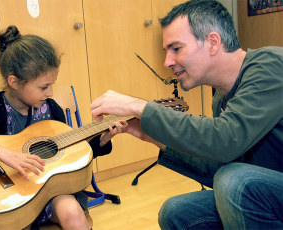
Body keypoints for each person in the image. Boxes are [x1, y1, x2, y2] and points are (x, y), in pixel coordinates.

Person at [90, 0, 283, 229]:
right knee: (177, 212)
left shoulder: (271, 64)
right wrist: (148, 134)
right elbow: (219, 168)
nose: (167, 62)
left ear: (212, 42)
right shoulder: (220, 99)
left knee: (235, 182)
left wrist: (140, 106)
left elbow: (226, 142)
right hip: (269, 193)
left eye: (176, 49)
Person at [0, 25, 127, 230]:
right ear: (14, 82)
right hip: (7, 197)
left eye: (52, 84)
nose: (51, 92)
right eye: (43, 87)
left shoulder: (51, 109)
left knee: (73, 212)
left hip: (49, 193)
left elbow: (70, 154)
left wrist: (101, 140)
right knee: (17, 224)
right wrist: (0, 152)